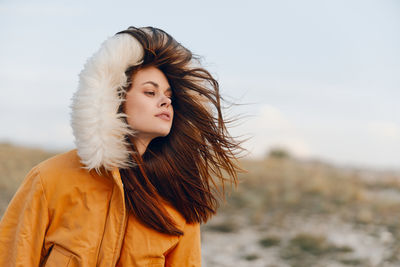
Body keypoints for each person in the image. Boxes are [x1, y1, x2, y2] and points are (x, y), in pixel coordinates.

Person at [0, 26, 244, 266]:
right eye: (150, 92)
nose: (165, 101)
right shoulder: (49, 179)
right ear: (114, 98)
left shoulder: (177, 197)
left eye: (169, 95)